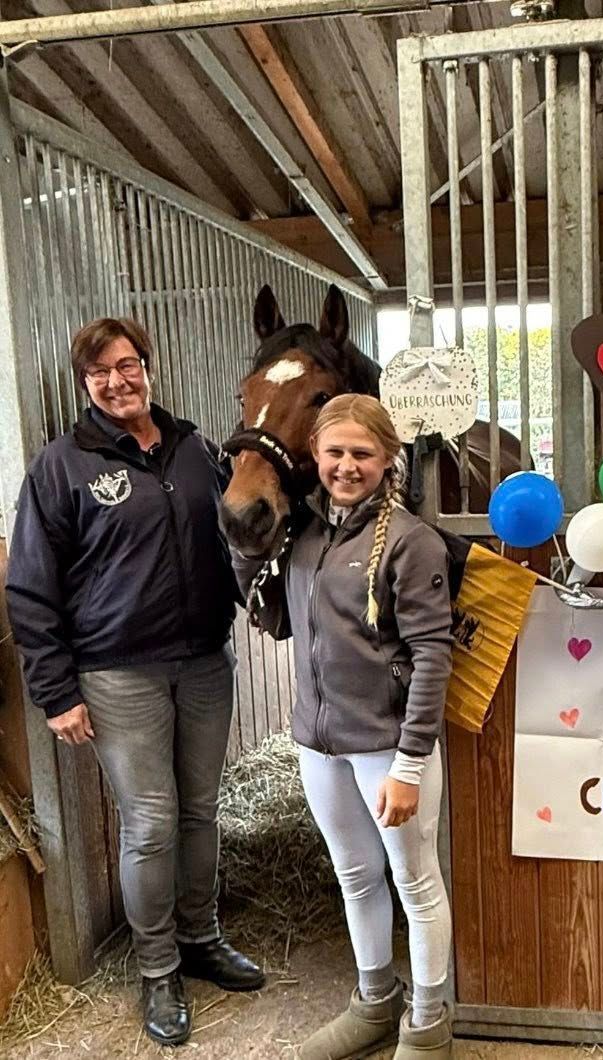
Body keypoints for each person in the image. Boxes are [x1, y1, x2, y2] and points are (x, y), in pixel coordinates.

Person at [5, 318, 263, 1047]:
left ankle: (201, 937)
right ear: (84, 383)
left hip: (205, 661)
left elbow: (238, 539)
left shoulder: (196, 450)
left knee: (201, 811)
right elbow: (30, 587)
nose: (117, 382)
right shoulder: (61, 467)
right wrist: (56, 690)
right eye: (100, 372)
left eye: (127, 365)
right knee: (150, 823)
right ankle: (158, 968)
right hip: (118, 673)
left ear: (149, 367)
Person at [235, 393, 454, 1060]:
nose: (346, 466)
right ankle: (374, 1003)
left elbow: (432, 655)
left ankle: (428, 1023)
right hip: (319, 744)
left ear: (388, 460)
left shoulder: (412, 542)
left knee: (415, 882)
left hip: (387, 748)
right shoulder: (304, 535)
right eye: (334, 452)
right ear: (315, 455)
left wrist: (410, 766)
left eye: (362, 453)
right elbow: (276, 617)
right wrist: (247, 549)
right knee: (354, 875)